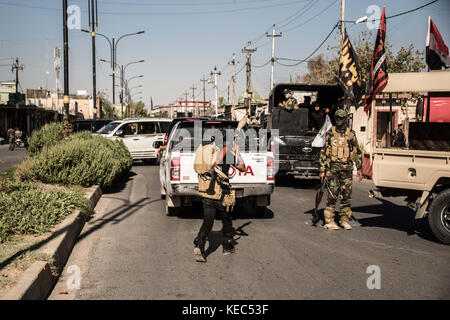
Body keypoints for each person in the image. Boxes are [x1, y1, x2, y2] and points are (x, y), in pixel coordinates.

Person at [193, 122, 246, 263]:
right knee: (227, 221)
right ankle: (227, 246)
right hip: (223, 193)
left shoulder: (204, 151)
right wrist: (237, 152)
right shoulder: (227, 153)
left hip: (207, 192)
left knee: (208, 220)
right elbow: (242, 168)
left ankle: (200, 244)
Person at [319, 109, 363, 230]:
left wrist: (359, 168)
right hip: (332, 169)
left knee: (346, 196)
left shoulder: (351, 134)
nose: (338, 120)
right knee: (332, 195)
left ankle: (344, 220)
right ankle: (329, 221)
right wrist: (322, 170)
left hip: (347, 169)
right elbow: (323, 152)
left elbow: (357, 152)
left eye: (341, 118)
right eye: (337, 118)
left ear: (345, 119)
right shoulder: (329, 133)